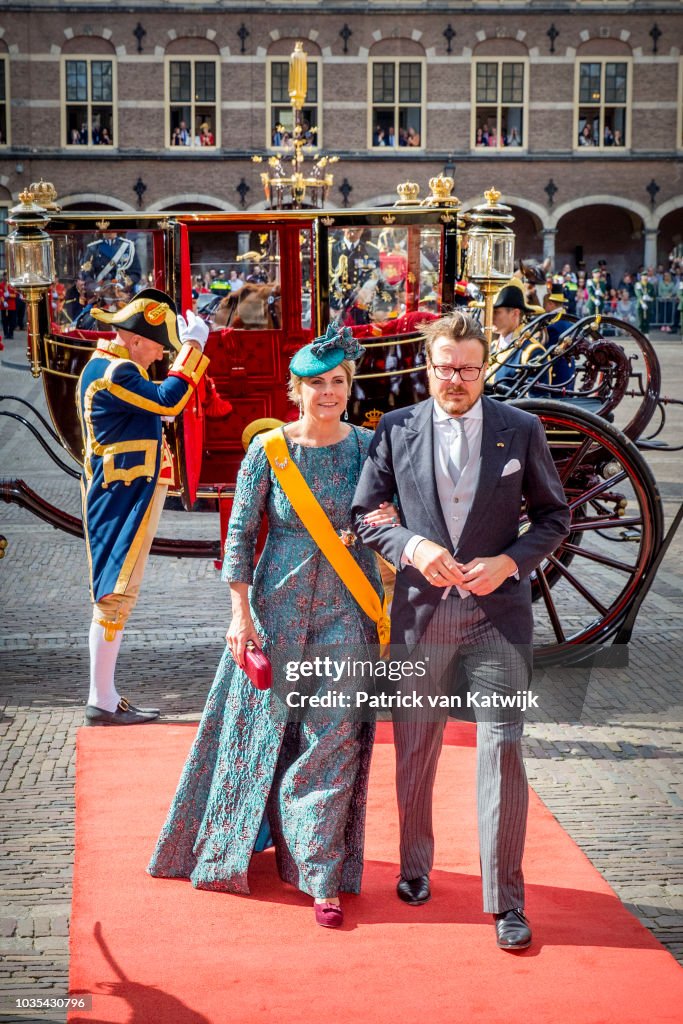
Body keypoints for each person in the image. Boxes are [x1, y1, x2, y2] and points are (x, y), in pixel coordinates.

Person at [148, 324, 395, 928]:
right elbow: (238, 536)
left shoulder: (369, 447)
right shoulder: (270, 449)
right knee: (257, 736)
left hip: (348, 609)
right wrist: (239, 614)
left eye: (338, 382)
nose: (329, 392)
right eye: (317, 384)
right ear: (297, 390)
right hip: (275, 611)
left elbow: (393, 514)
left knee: (332, 739)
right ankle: (246, 838)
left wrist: (371, 530)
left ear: (349, 385)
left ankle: (320, 875)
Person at [353, 309, 570, 951]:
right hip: (421, 616)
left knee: (503, 752)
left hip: (498, 617)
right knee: (416, 746)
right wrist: (413, 548)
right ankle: (415, 864)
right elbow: (366, 513)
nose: (457, 378)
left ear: (484, 369)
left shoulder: (521, 429)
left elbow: (555, 518)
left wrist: (510, 562)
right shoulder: (395, 429)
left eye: (469, 369)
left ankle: (506, 901)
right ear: (429, 365)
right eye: (446, 367)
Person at [77, 288, 210, 726]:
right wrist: (192, 349)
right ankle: (102, 697)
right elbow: (167, 398)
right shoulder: (118, 370)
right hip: (123, 490)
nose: (159, 354)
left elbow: (150, 406)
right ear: (135, 339)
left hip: (123, 484)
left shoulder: (109, 365)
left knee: (117, 588)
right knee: (117, 589)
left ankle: (105, 693)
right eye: (158, 345)